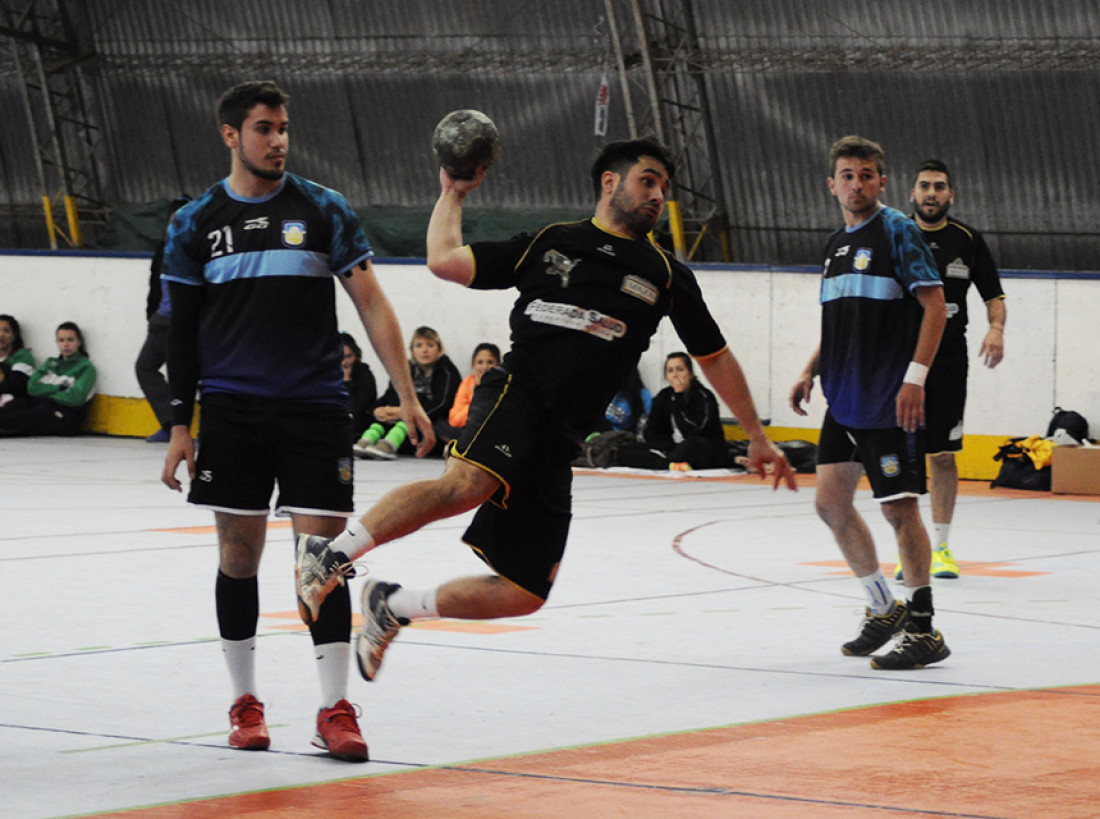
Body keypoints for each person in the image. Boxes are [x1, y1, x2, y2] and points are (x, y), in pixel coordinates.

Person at [295, 136, 797, 699]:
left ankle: (393, 605)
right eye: (647, 181)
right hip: (516, 395)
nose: (658, 195)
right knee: (466, 484)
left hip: (563, 437)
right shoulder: (555, 242)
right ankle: (329, 555)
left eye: (663, 187)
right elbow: (446, 261)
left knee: (524, 591)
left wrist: (755, 435)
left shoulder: (666, 275)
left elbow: (716, 357)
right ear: (611, 182)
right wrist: (452, 194)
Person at [159, 80, 433, 762]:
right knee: (238, 556)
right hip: (231, 408)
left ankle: (334, 707)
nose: (278, 139)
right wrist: (179, 424)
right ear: (230, 135)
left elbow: (371, 302)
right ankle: (244, 701)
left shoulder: (324, 209)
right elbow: (181, 332)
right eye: (263, 128)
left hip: (314, 407)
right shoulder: (194, 224)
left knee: (324, 563)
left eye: (282, 128)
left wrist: (409, 391)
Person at [789, 135, 949, 671]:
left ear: (881, 181)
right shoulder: (836, 243)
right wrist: (811, 368)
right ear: (831, 184)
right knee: (830, 504)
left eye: (866, 174)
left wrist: (915, 379)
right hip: (844, 396)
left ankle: (925, 628)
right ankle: (883, 607)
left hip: (888, 399)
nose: (856, 184)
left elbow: (936, 307)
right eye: (847, 175)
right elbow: (841, 317)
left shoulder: (898, 231)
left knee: (898, 508)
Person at [895, 159, 1006, 580]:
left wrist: (996, 328)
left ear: (951, 195)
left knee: (941, 454)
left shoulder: (968, 241)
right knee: (903, 455)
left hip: (949, 362)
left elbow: (994, 297)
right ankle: (909, 547)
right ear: (911, 193)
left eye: (939, 187)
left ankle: (940, 548)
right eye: (924, 185)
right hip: (901, 363)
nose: (931, 193)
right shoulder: (895, 235)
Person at [352, 325, 460, 459]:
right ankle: (365, 442)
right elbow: (390, 394)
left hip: (429, 421)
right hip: (403, 415)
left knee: (412, 408)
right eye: (419, 345)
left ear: (439, 349)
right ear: (412, 350)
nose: (424, 350)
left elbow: (442, 404)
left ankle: (389, 445)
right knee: (381, 415)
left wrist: (407, 413)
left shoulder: (447, 371)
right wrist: (377, 410)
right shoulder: (407, 369)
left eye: (430, 345)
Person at [135, 195, 191, 443]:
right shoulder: (163, 247)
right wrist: (152, 314)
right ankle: (170, 423)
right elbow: (153, 285)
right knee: (145, 367)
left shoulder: (198, 247)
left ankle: (205, 428)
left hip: (189, 321)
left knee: (193, 372)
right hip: (162, 319)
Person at [638, 352, 733, 470]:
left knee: (693, 445)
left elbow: (692, 431)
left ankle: (665, 463)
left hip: (701, 448)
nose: (675, 375)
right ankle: (671, 464)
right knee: (628, 450)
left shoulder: (703, 396)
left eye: (680, 370)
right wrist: (668, 445)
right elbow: (650, 431)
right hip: (672, 447)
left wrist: (679, 397)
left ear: (690, 373)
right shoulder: (663, 396)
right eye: (670, 371)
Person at [0, 321, 97, 436]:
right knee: (19, 404)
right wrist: (58, 387)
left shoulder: (86, 368)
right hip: (42, 403)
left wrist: (46, 393)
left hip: (64, 414)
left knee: (29, 415)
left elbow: (76, 397)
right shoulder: (50, 364)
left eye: (70, 340)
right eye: (61, 340)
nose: (65, 345)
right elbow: (32, 388)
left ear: (79, 342)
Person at [433, 341, 501, 445]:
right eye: (480, 362)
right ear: (473, 364)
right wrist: (474, 400)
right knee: (440, 425)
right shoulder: (468, 382)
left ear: (498, 365)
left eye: (490, 362)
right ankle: (466, 445)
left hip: (490, 431)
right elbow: (454, 420)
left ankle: (463, 446)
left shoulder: (502, 385)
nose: (485, 367)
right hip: (467, 428)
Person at [340, 331, 377, 444]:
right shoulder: (327, 374)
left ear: (356, 355)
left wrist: (347, 382)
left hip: (359, 424)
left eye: (349, 356)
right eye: (340, 357)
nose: (344, 362)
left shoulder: (364, 374)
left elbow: (357, 408)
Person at [0, 314, 35, 409]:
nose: (1, 335)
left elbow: (16, 385)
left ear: (14, 335)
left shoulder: (23, 356)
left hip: (12, 406)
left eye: (6, 331)